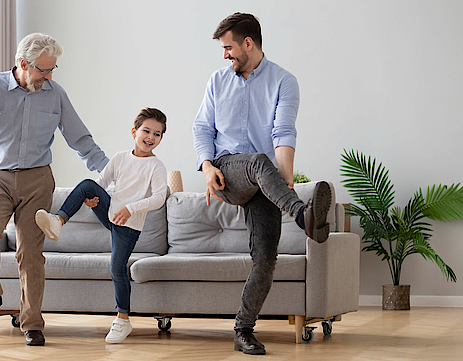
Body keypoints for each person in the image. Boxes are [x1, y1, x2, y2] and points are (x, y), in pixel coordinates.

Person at [0, 33, 109, 346]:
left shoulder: (55, 94)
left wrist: (110, 172)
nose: (48, 77)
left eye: (52, 70)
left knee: (31, 252)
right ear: (23, 64)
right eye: (43, 70)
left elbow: (80, 138)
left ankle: (32, 323)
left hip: (37, 179)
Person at [192, 13, 331, 355]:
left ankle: (243, 330)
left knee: (266, 258)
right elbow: (202, 128)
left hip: (264, 179)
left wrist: (285, 178)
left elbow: (283, 131)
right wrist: (207, 167)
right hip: (227, 173)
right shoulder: (217, 81)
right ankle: (302, 215)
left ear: (248, 44)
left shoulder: (284, 81)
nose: (225, 55)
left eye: (229, 48)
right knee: (256, 160)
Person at [35, 107, 167, 343]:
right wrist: (90, 198)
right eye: (146, 131)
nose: (151, 137)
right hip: (110, 212)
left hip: (128, 224)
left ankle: (123, 320)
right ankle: (59, 220)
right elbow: (100, 182)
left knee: (117, 269)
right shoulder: (119, 158)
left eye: (157, 134)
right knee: (87, 184)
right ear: (134, 131)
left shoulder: (156, 166)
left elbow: (159, 197)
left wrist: (131, 208)